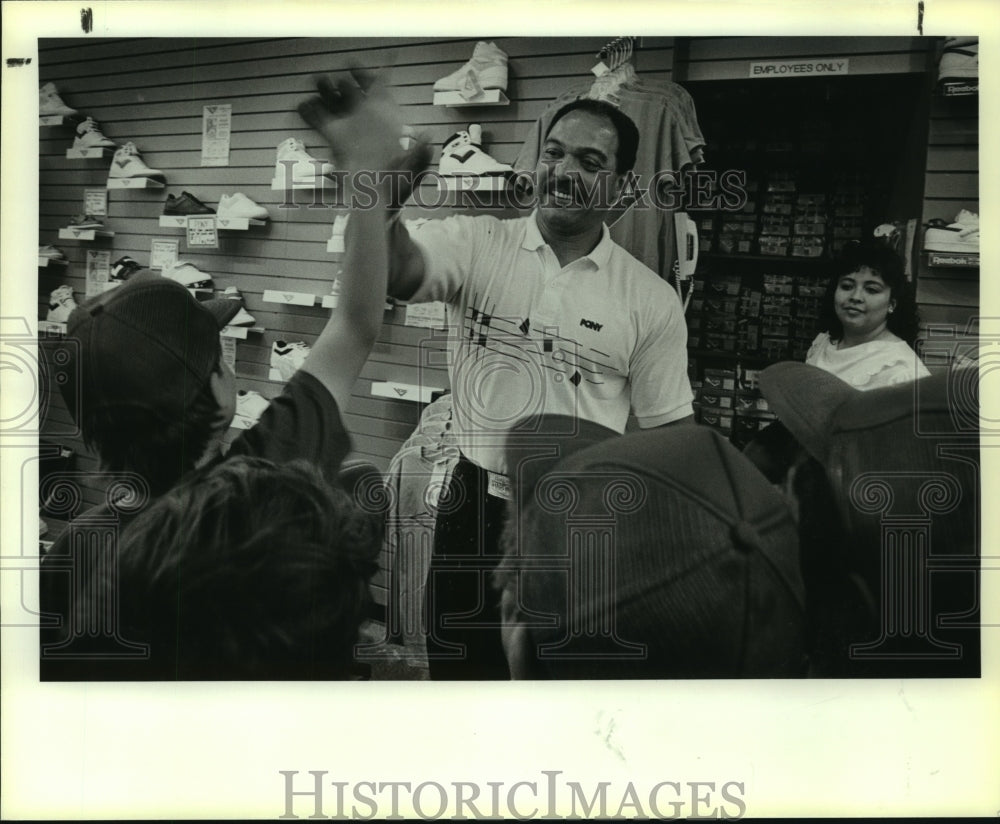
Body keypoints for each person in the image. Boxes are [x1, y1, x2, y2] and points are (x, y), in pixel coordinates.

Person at [39, 69, 422, 679]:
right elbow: (354, 325)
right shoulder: (263, 478)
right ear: (218, 393)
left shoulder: (71, 551)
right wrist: (367, 180)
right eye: (219, 357)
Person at [305, 93, 695, 679]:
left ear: (620, 187)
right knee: (460, 671)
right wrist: (379, 198)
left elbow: (673, 437)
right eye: (554, 154)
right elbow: (402, 270)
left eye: (589, 163)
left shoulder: (651, 301)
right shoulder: (479, 243)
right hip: (470, 499)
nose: (563, 173)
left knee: (552, 690)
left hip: (574, 517)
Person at [805, 242, 930, 389]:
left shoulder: (904, 371)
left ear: (892, 304)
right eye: (846, 286)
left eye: (871, 290)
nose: (856, 297)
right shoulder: (822, 343)